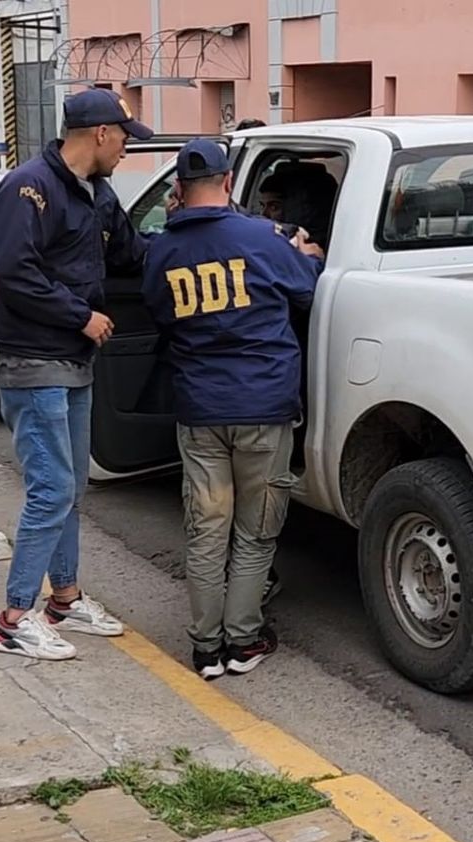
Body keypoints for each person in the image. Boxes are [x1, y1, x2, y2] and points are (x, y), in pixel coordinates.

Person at [142, 139, 324, 679]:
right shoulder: (261, 239)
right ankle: (243, 641)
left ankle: (205, 647)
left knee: (206, 529)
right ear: (227, 183)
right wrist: (307, 256)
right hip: (264, 407)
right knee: (256, 529)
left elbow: (157, 312)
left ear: (178, 190)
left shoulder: (161, 252)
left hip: (200, 411)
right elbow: (307, 291)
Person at [0, 88, 152, 660]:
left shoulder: (97, 194)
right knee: (51, 488)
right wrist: (79, 316)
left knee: (72, 485)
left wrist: (210, 235)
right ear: (101, 134)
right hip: (32, 360)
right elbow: (11, 270)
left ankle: (65, 599)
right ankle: (13, 619)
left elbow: (133, 255)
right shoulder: (28, 188)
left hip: (73, 363)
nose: (129, 149)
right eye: (126, 138)